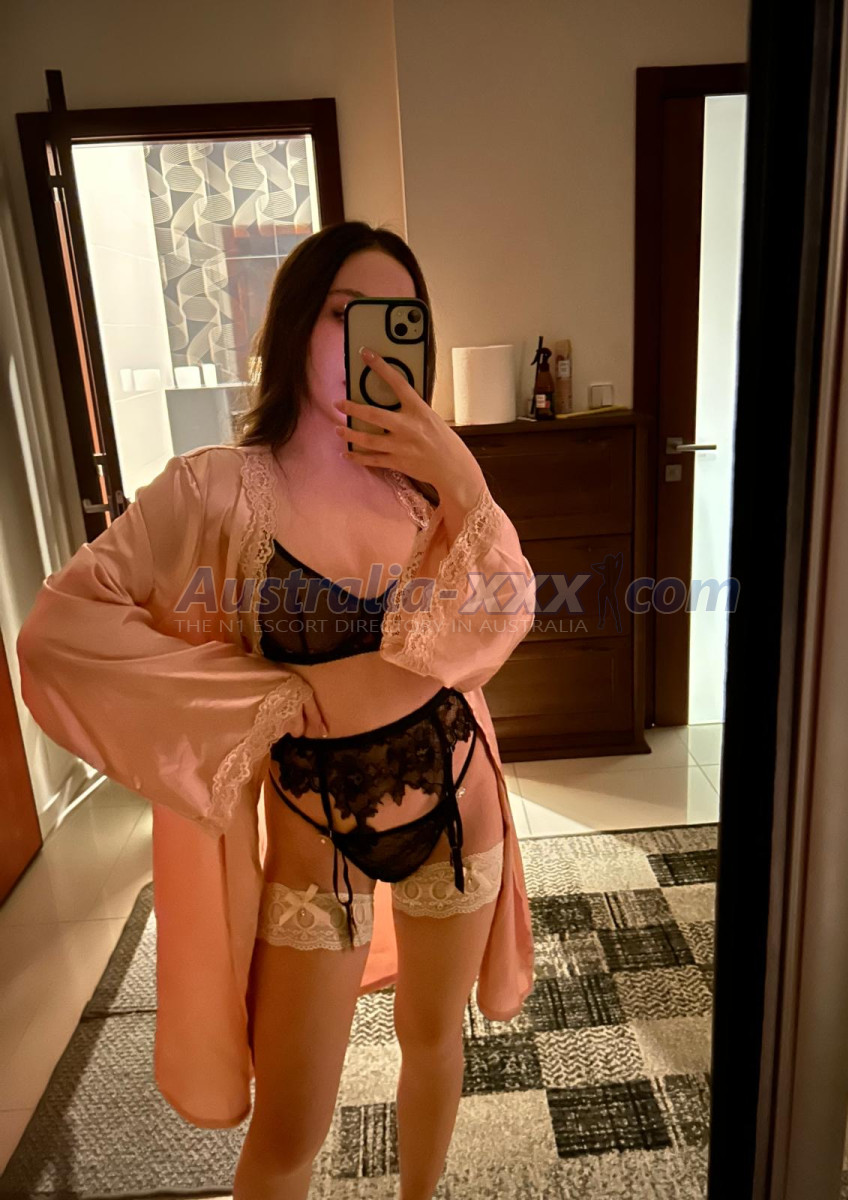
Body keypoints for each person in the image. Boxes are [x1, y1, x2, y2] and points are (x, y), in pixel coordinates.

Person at [16, 220, 536, 1200]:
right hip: (313, 834)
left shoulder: (431, 494)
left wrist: (463, 478)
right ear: (298, 324)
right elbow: (61, 633)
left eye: (403, 320)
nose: (376, 341)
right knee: (291, 1125)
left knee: (435, 1043)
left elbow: (502, 610)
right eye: (350, 314)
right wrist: (269, 699)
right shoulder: (217, 491)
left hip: (456, 805)